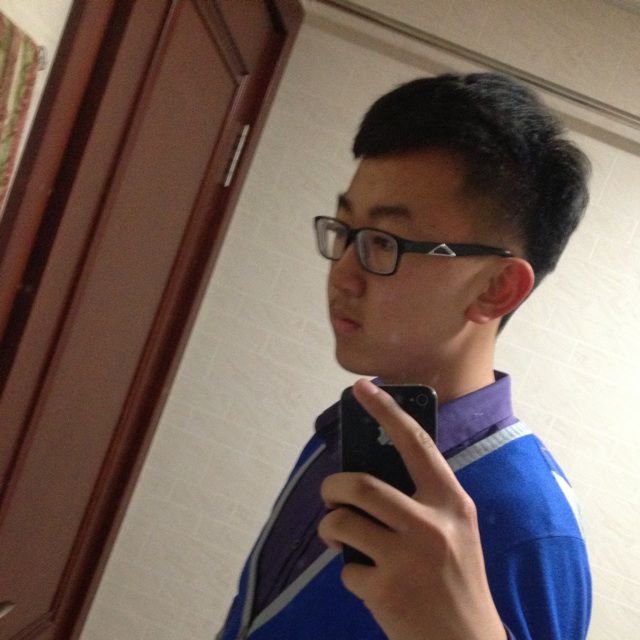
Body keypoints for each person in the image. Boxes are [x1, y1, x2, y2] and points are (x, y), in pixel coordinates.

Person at [217, 73, 591, 640]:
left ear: (496, 288)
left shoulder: (529, 525)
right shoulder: (354, 430)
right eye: (346, 230)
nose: (343, 273)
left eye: (384, 243)